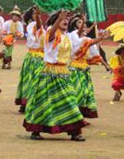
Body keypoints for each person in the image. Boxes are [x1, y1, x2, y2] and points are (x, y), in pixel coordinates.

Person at [24, 11, 87, 141]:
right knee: (44, 102)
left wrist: (83, 22)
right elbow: (51, 34)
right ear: (55, 22)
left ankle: (74, 131)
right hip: (50, 73)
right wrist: (59, 19)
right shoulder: (50, 34)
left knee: (69, 101)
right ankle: (36, 131)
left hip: (64, 73)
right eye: (62, 19)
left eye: (66, 19)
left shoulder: (67, 37)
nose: (65, 21)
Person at [68, 14, 105, 118]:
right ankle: (74, 114)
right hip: (74, 69)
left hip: (84, 69)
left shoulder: (85, 38)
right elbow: (85, 42)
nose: (82, 24)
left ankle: (80, 115)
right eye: (79, 22)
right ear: (74, 26)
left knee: (85, 91)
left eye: (82, 22)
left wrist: (106, 66)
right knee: (77, 91)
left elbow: (94, 50)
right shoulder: (72, 35)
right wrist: (85, 22)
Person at [15, 6, 45, 113]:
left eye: (36, 13)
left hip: (38, 56)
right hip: (34, 56)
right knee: (34, 79)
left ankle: (27, 103)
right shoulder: (32, 25)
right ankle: (29, 103)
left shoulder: (37, 26)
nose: (36, 14)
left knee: (31, 80)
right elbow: (38, 25)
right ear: (30, 17)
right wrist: (38, 17)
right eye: (33, 14)